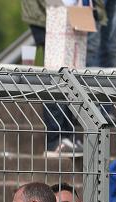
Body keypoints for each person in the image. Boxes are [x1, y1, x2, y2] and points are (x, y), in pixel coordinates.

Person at [21, 0, 106, 157]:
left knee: (73, 76)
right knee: (56, 76)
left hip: (76, 15)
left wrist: (95, 12)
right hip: (52, 15)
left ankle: (67, 134)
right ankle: (55, 139)